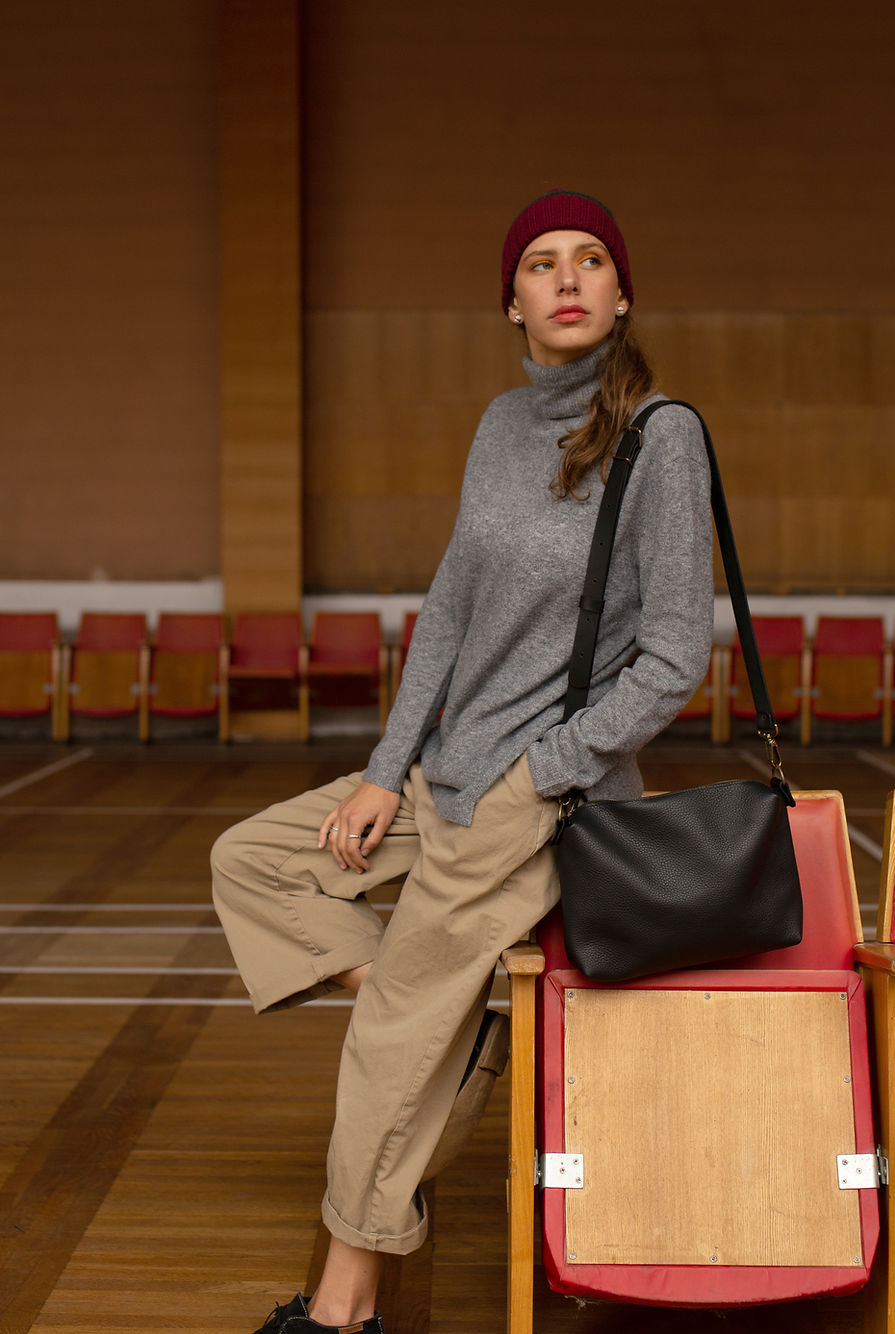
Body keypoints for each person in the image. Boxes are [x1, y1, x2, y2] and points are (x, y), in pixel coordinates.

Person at [211, 189, 715, 1334]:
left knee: (391, 1042)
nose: (569, 277)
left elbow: (676, 653)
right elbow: (447, 606)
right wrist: (389, 765)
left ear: (623, 293)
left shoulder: (660, 436)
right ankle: (461, 1023)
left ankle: (343, 1308)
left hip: (531, 796)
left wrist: (540, 770)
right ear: (512, 301)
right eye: (542, 263)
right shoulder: (499, 424)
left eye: (592, 260)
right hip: (442, 769)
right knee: (256, 860)